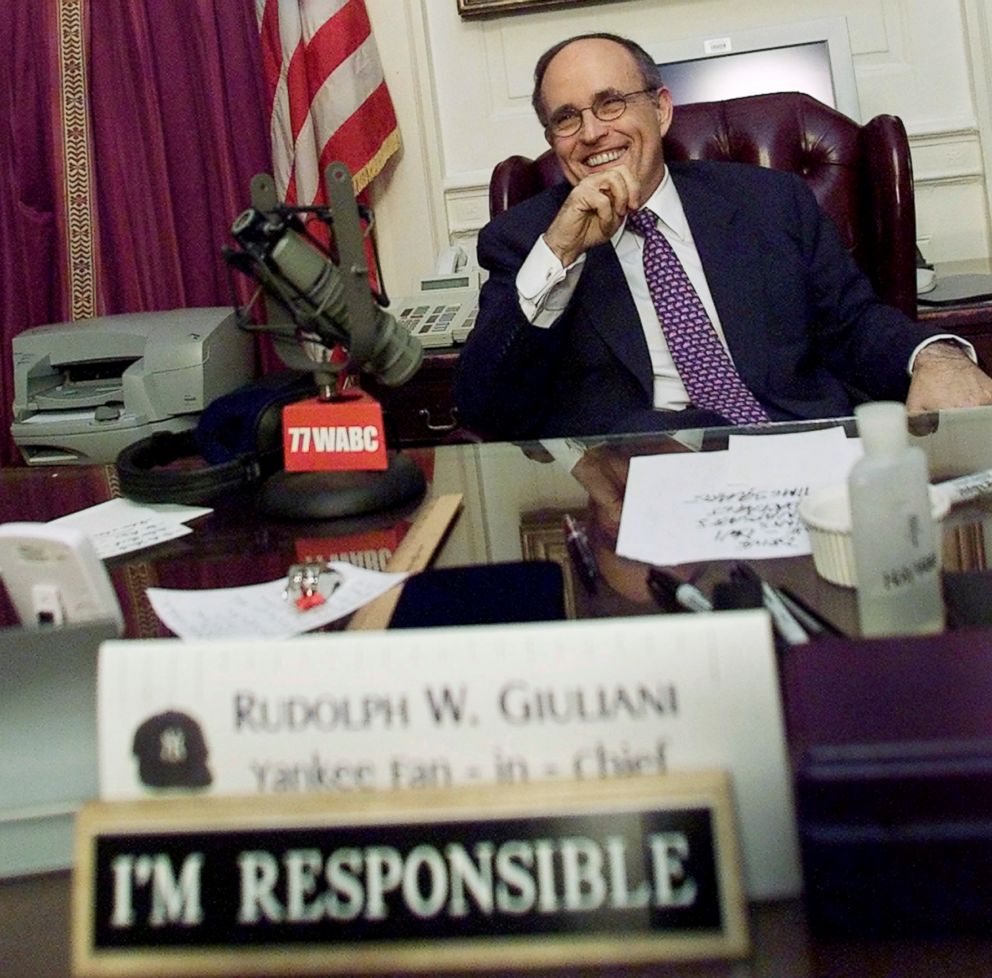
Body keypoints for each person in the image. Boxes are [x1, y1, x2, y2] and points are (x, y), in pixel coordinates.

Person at [454, 32, 992, 440]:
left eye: (611, 102)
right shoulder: (526, 240)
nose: (593, 132)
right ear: (552, 137)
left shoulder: (772, 202)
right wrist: (561, 253)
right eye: (567, 118)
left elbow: (855, 324)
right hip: (642, 483)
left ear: (660, 110)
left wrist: (936, 356)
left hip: (804, 450)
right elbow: (486, 408)